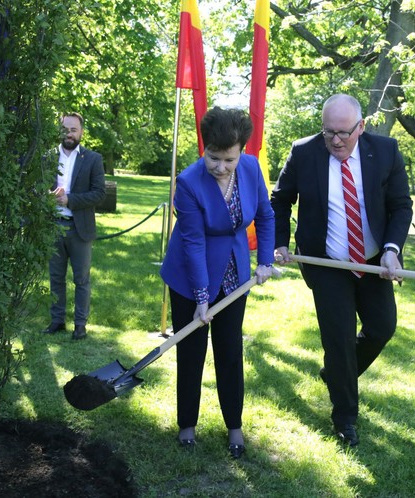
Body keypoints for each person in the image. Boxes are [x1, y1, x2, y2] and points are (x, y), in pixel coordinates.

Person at [271, 94, 413, 447]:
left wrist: (392, 251)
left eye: (344, 133)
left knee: (382, 328)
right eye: (328, 132)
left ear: (361, 128)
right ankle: (345, 417)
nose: (335, 140)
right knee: (339, 340)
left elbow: (401, 206)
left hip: (373, 260)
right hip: (327, 261)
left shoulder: (385, 151)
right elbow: (280, 198)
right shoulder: (304, 152)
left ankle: (336, 374)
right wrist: (281, 242)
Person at [160, 107, 280, 459]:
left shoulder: (251, 167)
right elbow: (193, 242)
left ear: (241, 149)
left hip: (234, 275)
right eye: (214, 158)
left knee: (229, 352)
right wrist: (200, 297)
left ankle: (234, 427)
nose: (221, 167)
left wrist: (266, 261)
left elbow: (265, 215)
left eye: (229, 159)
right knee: (192, 352)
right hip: (189, 277)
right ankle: (187, 425)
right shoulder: (188, 182)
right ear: (205, 147)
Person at [42, 112, 106, 340]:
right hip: (53, 226)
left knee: (81, 279)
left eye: (73, 130)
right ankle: (57, 320)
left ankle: (80, 325)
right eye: (65, 129)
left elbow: (99, 194)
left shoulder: (92, 159)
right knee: (56, 278)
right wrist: (47, 196)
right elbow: (37, 188)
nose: (68, 134)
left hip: (80, 228)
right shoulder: (47, 157)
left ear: (81, 132)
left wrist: (70, 200)